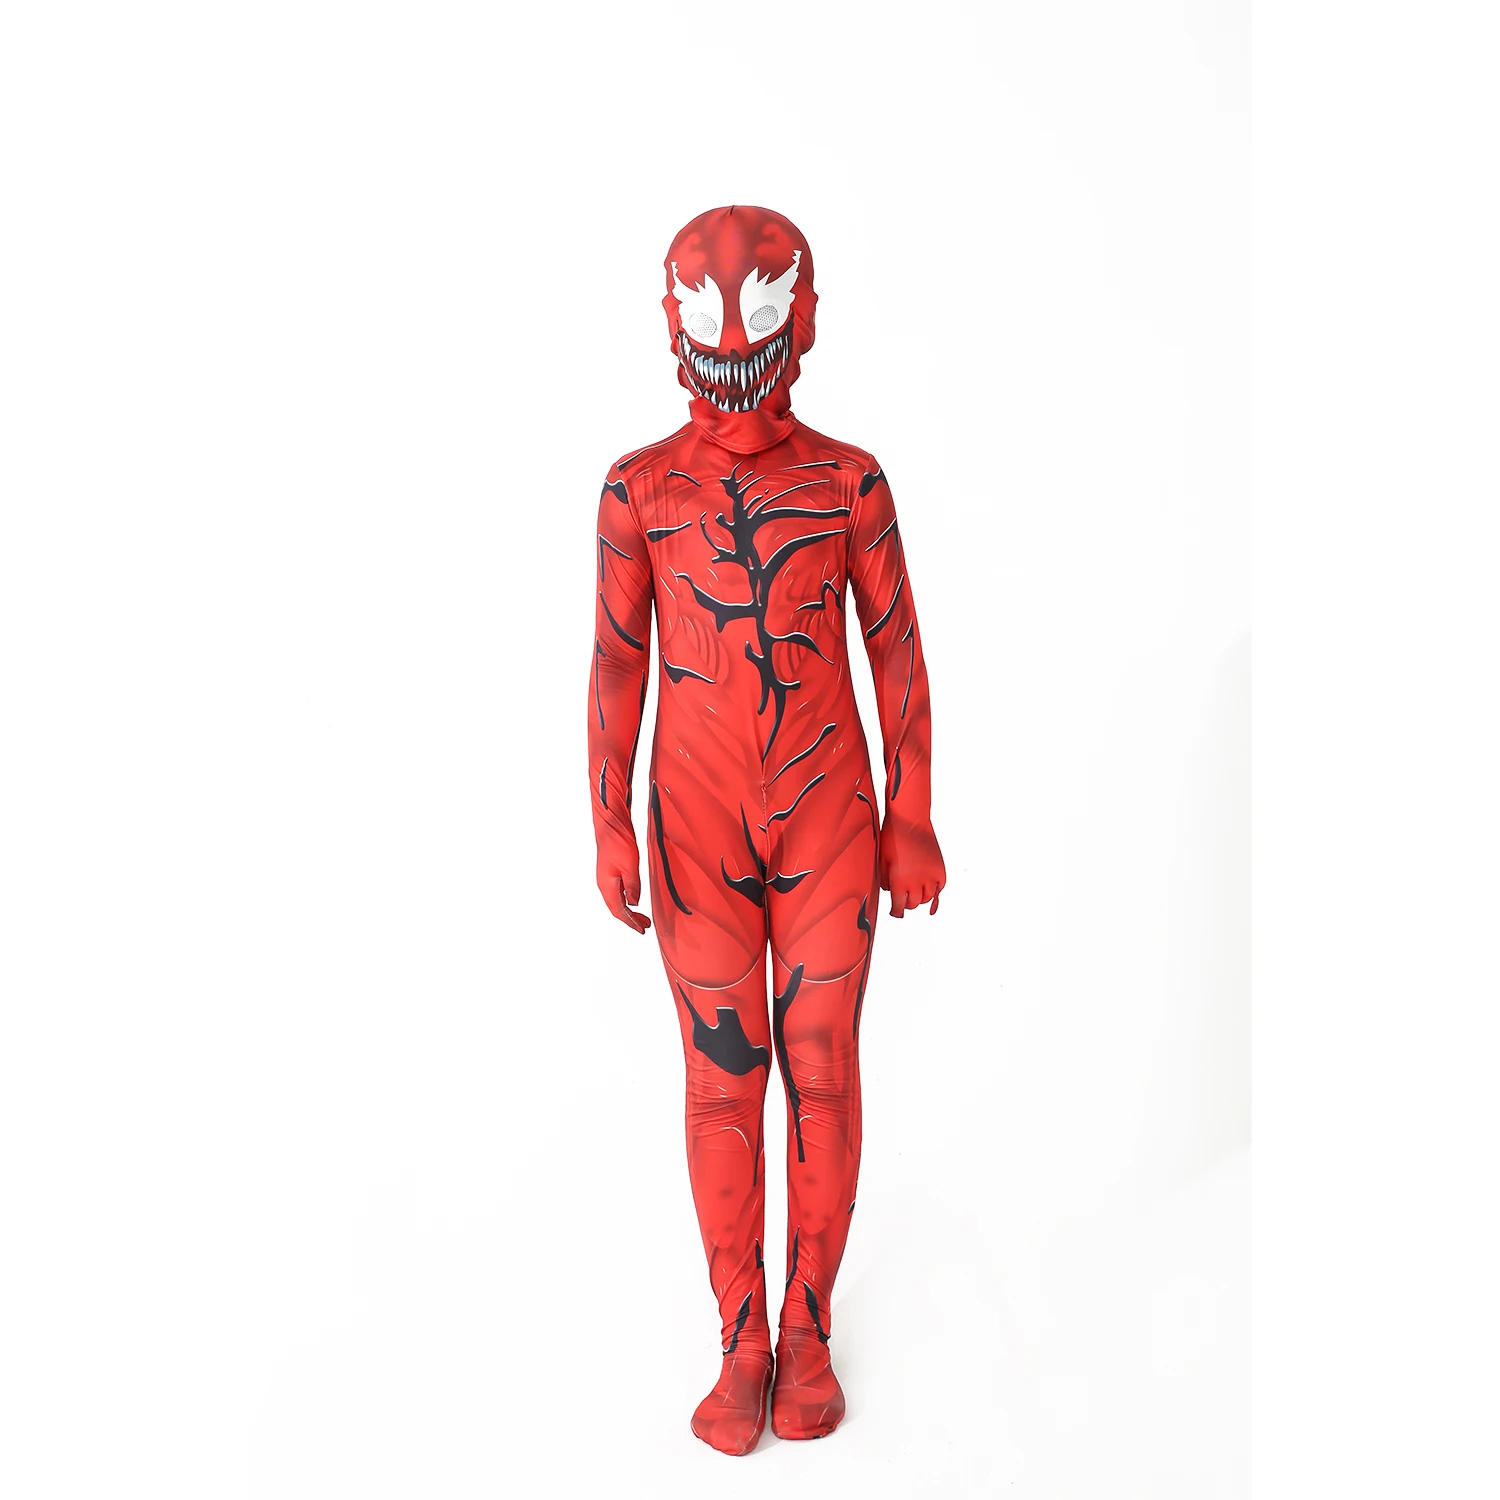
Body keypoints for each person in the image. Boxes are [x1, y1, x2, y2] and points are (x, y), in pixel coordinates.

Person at [587, 205, 945, 1455]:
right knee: (721, 1078)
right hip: (694, 828)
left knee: (824, 1062)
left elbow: (896, 647)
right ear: (670, 326)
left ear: (809, 320)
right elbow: (616, 662)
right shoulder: (637, 490)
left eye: (761, 314)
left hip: (826, 817)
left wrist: (915, 813)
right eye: (708, 318)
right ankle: (743, 1337)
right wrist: (605, 820)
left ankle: (810, 1328)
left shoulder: (849, 484)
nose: (734, 345)